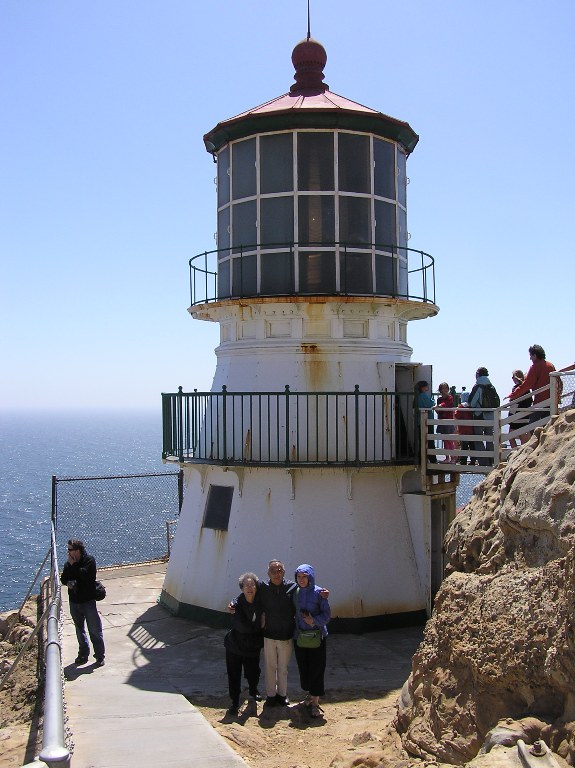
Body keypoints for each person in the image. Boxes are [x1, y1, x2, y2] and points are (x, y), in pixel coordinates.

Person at [229, 560, 329, 708]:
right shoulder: (262, 587)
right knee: (270, 667)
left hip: (286, 634)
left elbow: (308, 589)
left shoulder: (292, 587)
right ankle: (270, 695)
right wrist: (234, 602)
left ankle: (282, 695)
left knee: (283, 668)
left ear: (284, 572)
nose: (277, 573)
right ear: (268, 573)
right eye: (273, 571)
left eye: (279, 570)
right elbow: (247, 593)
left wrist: (323, 593)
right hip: (269, 634)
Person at [293, 564, 331, 719]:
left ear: (310, 577)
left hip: (316, 636)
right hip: (300, 636)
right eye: (299, 577)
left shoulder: (319, 593)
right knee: (305, 667)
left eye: (305, 576)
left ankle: (315, 701)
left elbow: (326, 615)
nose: (302, 580)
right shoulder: (294, 592)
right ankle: (310, 695)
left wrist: (313, 621)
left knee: (316, 668)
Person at [60, 539, 106, 666]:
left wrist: (73, 566)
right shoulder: (68, 564)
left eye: (70, 550)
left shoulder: (89, 561)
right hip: (74, 601)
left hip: (87, 601)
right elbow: (64, 578)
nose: (68, 552)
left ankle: (99, 655)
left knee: (94, 629)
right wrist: (69, 581)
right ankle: (83, 654)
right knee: (79, 629)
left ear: (77, 550)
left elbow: (86, 576)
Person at [225, 572, 264, 716]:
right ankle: (234, 702)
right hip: (235, 645)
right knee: (234, 674)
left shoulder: (260, 602)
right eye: (246, 585)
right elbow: (241, 626)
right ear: (242, 588)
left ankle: (253, 691)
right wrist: (259, 627)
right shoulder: (236, 604)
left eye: (252, 585)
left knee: (253, 671)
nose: (250, 588)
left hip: (252, 645)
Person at [507, 345, 557, 426]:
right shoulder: (550, 365)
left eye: (531, 355)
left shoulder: (535, 367)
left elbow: (527, 384)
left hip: (540, 402)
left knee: (532, 426)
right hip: (552, 401)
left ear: (535, 355)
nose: (530, 358)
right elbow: (558, 382)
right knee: (547, 425)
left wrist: (512, 395)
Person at [468, 367, 498, 467]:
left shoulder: (478, 386)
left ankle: (483, 463)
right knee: (490, 439)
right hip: (491, 417)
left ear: (478, 374)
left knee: (478, 439)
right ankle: (492, 461)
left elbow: (471, 403)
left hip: (479, 416)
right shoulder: (491, 386)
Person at [508, 370, 533, 447]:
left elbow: (514, 403)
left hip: (516, 417)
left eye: (512, 377)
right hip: (525, 415)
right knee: (524, 438)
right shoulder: (527, 388)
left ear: (516, 377)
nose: (512, 378)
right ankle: (522, 454)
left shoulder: (516, 388)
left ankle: (516, 453)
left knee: (511, 437)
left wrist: (510, 417)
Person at [415, 380, 437, 463]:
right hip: (427, 421)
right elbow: (430, 403)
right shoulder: (423, 395)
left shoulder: (418, 396)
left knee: (422, 440)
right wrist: (433, 401)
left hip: (420, 421)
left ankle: (421, 458)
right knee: (430, 440)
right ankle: (433, 459)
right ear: (423, 387)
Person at [435, 382, 456, 462]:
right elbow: (438, 410)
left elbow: (446, 403)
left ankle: (453, 457)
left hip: (448, 420)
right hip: (441, 420)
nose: (445, 390)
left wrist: (440, 406)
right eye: (443, 388)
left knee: (449, 439)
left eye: (446, 388)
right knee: (444, 440)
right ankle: (447, 457)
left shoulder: (450, 397)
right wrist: (438, 408)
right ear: (440, 390)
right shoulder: (439, 399)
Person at [454, 396, 475, 466]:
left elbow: (456, 415)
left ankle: (463, 461)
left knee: (464, 447)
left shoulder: (461, 407)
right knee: (472, 446)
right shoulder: (472, 406)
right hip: (471, 430)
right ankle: (473, 461)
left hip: (463, 430)